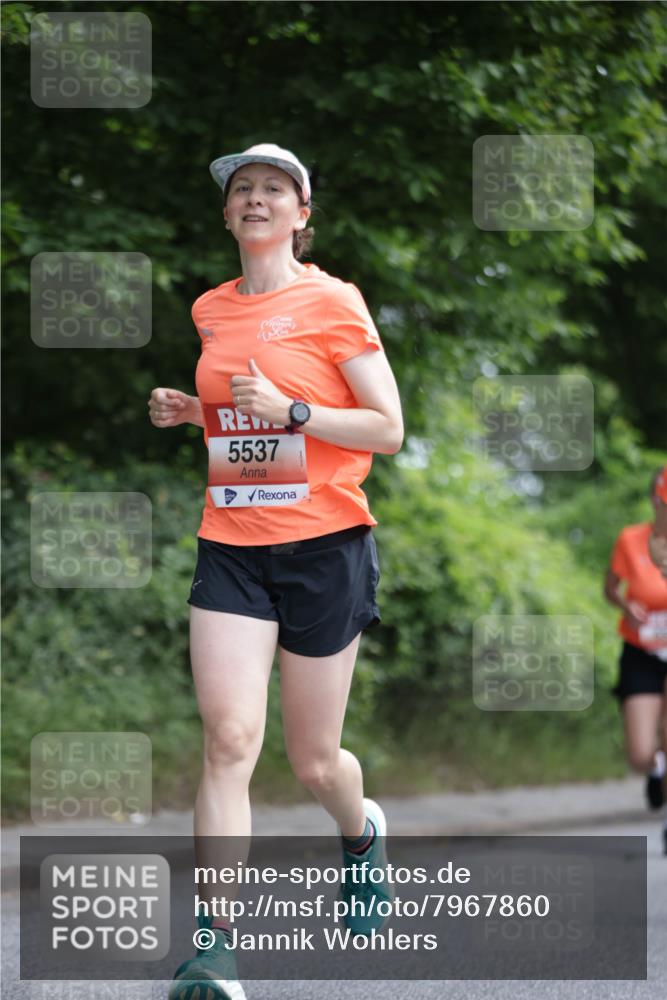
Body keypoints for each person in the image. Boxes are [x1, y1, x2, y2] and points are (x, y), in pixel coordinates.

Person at [148, 143, 404, 999]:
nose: (255, 199)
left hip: (325, 547)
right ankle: (214, 946)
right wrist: (197, 413)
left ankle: (360, 832)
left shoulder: (332, 301)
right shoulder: (211, 309)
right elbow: (243, 426)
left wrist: (295, 407)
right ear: (227, 215)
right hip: (231, 543)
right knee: (227, 743)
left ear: (301, 214)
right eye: (241, 190)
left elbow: (385, 428)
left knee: (314, 762)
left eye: (274, 190)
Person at [604, 467, 667, 852]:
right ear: (656, 502)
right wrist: (626, 605)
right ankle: (656, 770)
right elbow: (610, 587)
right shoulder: (631, 540)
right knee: (641, 752)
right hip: (641, 652)